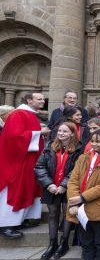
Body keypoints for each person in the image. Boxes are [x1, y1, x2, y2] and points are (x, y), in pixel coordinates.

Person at [0, 92, 49, 239]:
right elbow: (14, 137)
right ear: (29, 100)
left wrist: (38, 133)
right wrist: (39, 132)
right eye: (39, 99)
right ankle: (5, 225)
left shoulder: (30, 114)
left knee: (27, 189)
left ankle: (20, 220)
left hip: (28, 160)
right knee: (15, 190)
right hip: (18, 162)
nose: (42, 101)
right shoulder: (19, 114)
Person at [66, 129, 100, 260]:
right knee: (86, 244)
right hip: (80, 207)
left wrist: (82, 197)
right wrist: (74, 201)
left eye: (98, 141)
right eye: (92, 141)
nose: (94, 144)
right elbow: (73, 180)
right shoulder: (83, 157)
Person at [34, 122, 83, 259]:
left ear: (72, 133)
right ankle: (52, 243)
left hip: (69, 187)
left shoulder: (79, 149)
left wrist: (64, 185)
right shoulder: (50, 146)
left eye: (65, 131)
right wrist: (49, 184)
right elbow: (39, 167)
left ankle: (64, 243)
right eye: (59, 131)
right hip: (51, 186)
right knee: (52, 215)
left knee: (67, 214)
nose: (60, 133)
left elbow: (77, 170)